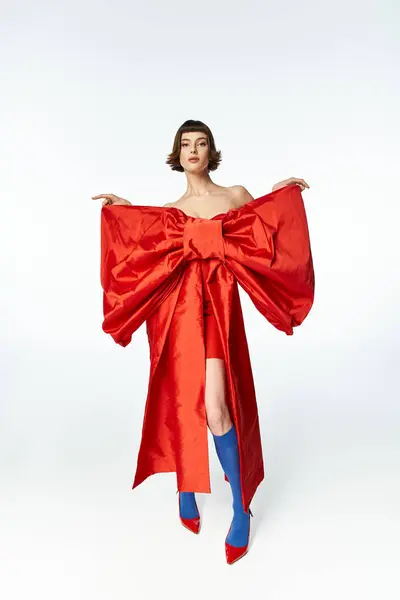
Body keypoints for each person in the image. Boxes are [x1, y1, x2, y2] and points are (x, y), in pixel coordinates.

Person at [93, 119, 314, 565]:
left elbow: (264, 230)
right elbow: (143, 247)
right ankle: (186, 482)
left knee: (217, 408)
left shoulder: (233, 195)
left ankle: (241, 506)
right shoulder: (171, 210)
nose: (193, 149)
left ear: (212, 152)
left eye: (202, 142)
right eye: (185, 143)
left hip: (217, 307)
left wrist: (279, 194)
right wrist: (124, 210)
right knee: (180, 399)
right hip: (176, 311)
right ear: (177, 155)